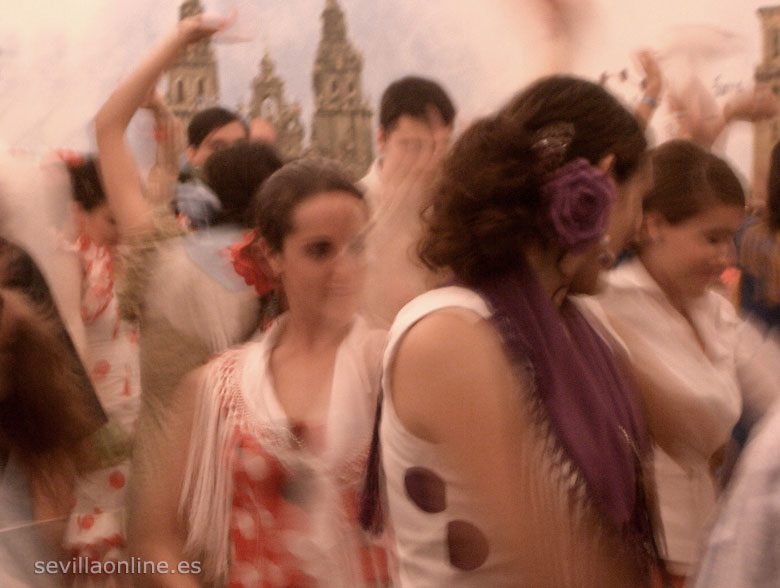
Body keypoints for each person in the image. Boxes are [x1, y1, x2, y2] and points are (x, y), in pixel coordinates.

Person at [363, 75, 660, 587]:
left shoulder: (579, 324)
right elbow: (543, 550)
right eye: (639, 200)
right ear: (602, 184)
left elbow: (700, 424)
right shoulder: (450, 336)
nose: (640, 226)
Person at [129, 157, 388, 588]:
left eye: (357, 246)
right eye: (320, 250)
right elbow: (156, 538)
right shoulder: (219, 385)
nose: (344, 268)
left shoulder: (395, 365)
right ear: (272, 255)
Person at [586, 140, 780, 585]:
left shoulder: (715, 312)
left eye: (730, 239)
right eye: (711, 238)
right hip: (637, 554)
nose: (726, 258)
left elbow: (772, 395)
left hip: (708, 542)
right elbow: (697, 425)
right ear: (652, 225)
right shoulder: (604, 301)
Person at [359, 76, 456, 327]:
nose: (425, 161)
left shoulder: (452, 207)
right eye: (410, 146)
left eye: (436, 148)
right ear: (381, 139)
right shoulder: (355, 205)